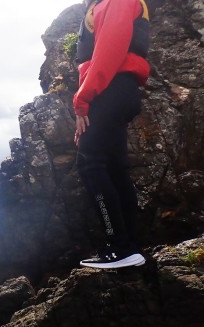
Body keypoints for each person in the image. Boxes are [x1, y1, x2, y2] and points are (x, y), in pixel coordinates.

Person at [73, 0, 150, 268]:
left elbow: (109, 52)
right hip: (117, 90)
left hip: (111, 88)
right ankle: (129, 248)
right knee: (115, 168)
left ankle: (121, 247)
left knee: (90, 164)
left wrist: (83, 99)